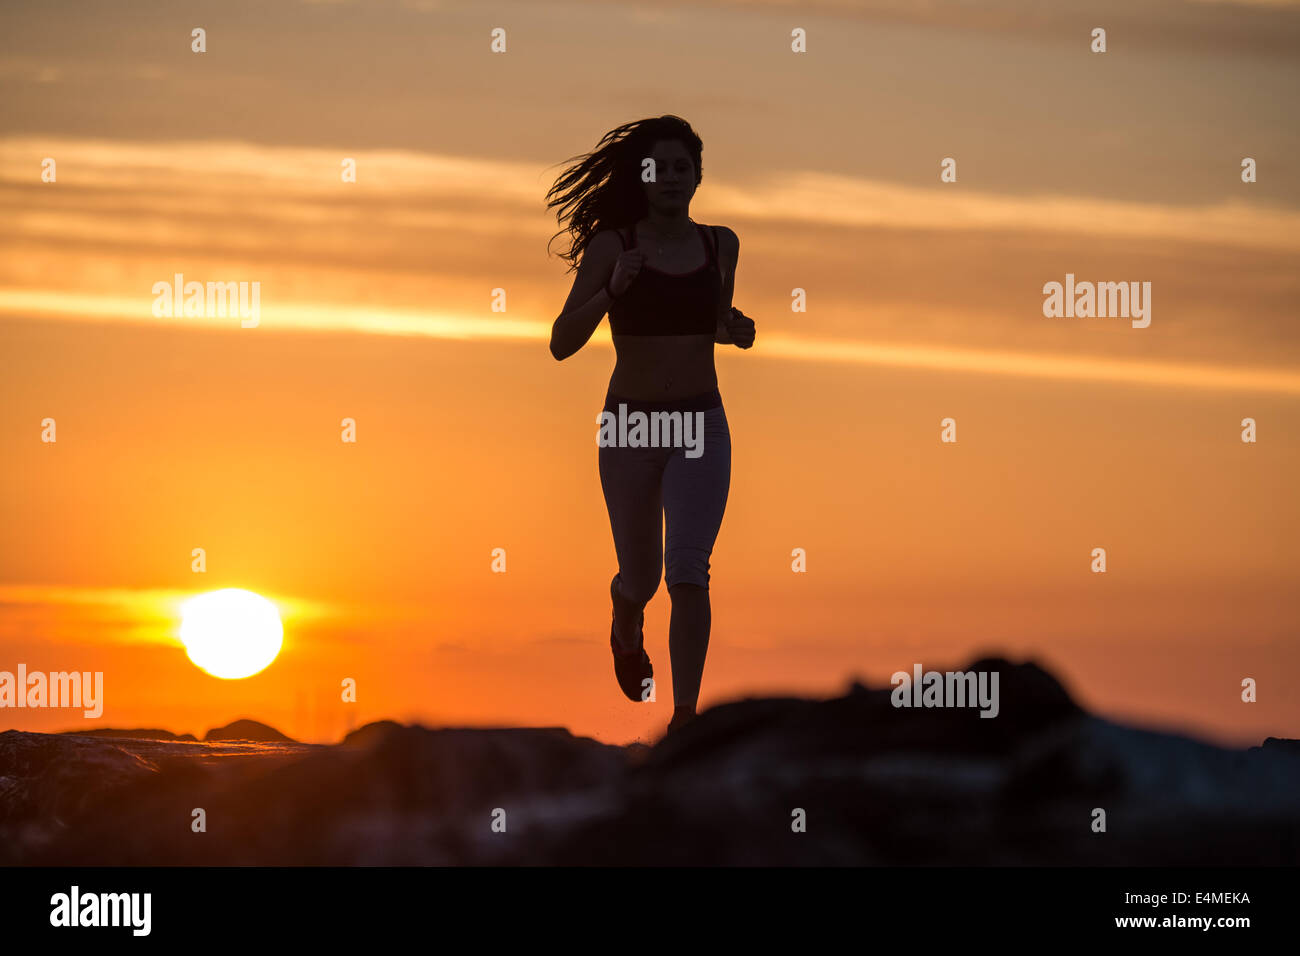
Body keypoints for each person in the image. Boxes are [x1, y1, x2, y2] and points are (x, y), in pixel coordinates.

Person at [545, 115, 755, 735]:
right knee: (642, 576)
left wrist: (734, 330)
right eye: (658, 168)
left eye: (681, 168)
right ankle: (624, 616)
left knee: (689, 570)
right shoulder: (615, 245)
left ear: (697, 176)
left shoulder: (721, 244)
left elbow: (713, 321)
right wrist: (611, 289)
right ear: (642, 175)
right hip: (632, 429)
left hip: (701, 426)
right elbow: (561, 342)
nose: (670, 178)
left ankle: (684, 720)